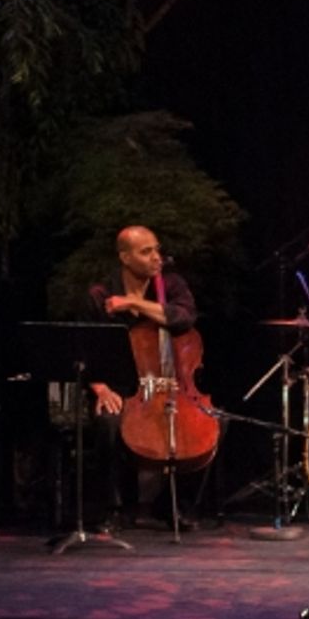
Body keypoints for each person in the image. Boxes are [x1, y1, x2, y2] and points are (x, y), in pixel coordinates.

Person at [85, 224, 200, 530]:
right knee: (109, 423)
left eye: (157, 249)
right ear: (124, 257)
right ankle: (113, 509)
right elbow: (87, 349)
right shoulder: (101, 293)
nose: (156, 257)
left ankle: (171, 504)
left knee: (210, 427)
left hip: (169, 384)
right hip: (120, 387)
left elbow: (183, 318)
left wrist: (135, 303)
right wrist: (100, 389)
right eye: (146, 251)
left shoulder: (171, 285)